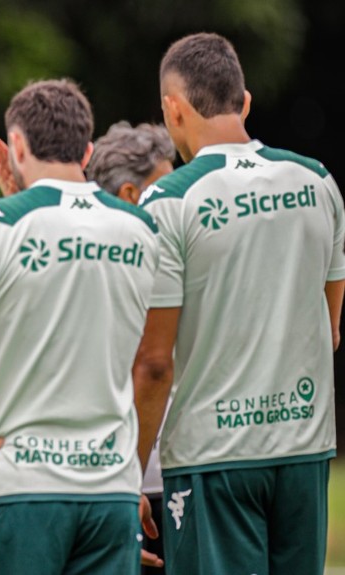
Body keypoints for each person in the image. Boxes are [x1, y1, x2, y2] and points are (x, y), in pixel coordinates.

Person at [0, 79, 160, 575]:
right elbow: (150, 357)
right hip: (110, 490)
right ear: (87, 152)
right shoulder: (141, 228)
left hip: (15, 489)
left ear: (16, 145)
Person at [133, 32, 345, 575]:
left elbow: (154, 363)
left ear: (173, 111)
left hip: (213, 457)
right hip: (304, 449)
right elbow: (329, 329)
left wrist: (127, 475)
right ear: (245, 102)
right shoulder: (319, 182)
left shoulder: (170, 198)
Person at [87, 120, 177, 574]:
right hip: (118, 487)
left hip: (173, 478)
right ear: (129, 194)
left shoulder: (177, 258)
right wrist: (120, 487)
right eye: (166, 188)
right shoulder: (90, 276)